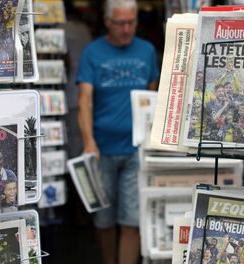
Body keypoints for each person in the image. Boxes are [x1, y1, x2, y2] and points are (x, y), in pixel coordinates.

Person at [76, 0, 159, 263]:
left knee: (132, 220)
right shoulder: (92, 52)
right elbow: (84, 100)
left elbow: (155, 95)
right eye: (120, 23)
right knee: (104, 220)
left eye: (131, 22)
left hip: (136, 149)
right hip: (102, 149)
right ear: (107, 21)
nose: (126, 29)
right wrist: (89, 141)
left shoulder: (146, 51)